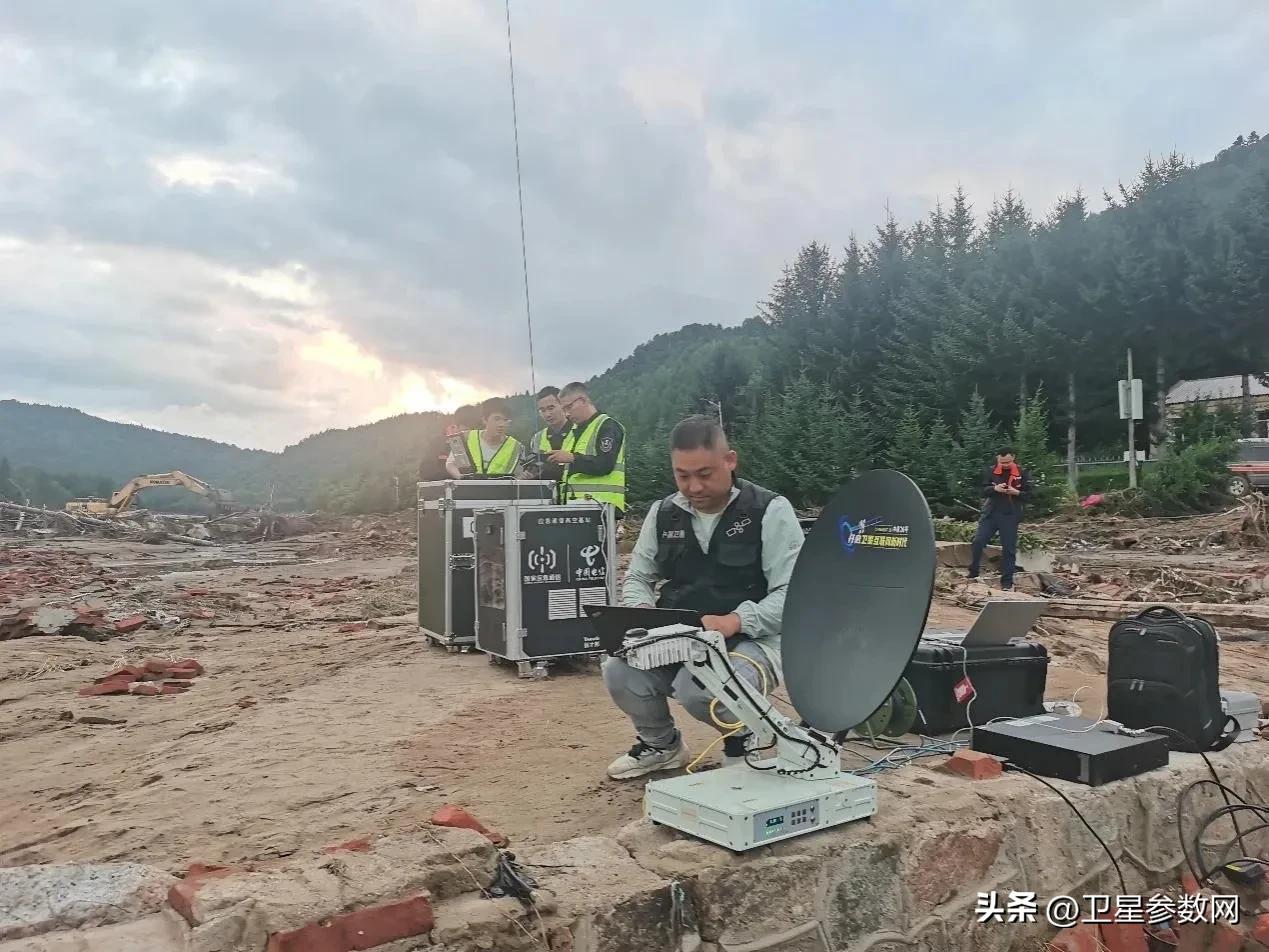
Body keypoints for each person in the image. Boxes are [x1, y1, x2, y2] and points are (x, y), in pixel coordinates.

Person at [601, 415, 805, 780]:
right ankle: (662, 747)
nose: (693, 486)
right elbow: (639, 575)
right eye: (682, 475)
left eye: (705, 474)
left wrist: (734, 621)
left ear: (730, 460)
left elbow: (794, 593)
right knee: (619, 670)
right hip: (680, 637)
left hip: (753, 640)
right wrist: (641, 610)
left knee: (698, 688)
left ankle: (747, 740)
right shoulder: (663, 513)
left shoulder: (769, 511)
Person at [549, 382, 626, 517]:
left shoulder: (607, 426)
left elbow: (605, 464)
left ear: (583, 400)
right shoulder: (573, 433)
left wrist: (572, 458)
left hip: (602, 508)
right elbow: (569, 473)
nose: (566, 414)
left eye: (569, 407)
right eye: (563, 409)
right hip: (576, 508)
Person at [967, 446, 1033, 591]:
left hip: (1010, 515)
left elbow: (1029, 495)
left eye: (1007, 462)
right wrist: (994, 489)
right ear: (997, 459)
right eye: (1002, 462)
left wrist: (1016, 492)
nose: (1005, 465)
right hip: (990, 514)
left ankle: (1007, 583)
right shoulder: (990, 472)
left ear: (1013, 458)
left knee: (1008, 549)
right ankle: (973, 573)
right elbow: (982, 491)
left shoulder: (1023, 473)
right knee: (978, 541)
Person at [445, 397, 524, 478]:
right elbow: (450, 464)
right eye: (497, 419)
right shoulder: (465, 437)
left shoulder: (517, 447)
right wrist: (461, 478)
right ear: (484, 420)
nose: (501, 424)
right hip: (469, 488)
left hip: (501, 490)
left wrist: (525, 476)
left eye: (505, 420)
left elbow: (518, 476)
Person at [529, 386, 572, 482]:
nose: (547, 414)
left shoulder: (579, 431)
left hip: (572, 493)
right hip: (547, 494)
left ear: (562, 405)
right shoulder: (537, 438)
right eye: (542, 410)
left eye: (551, 408)